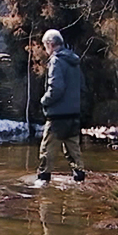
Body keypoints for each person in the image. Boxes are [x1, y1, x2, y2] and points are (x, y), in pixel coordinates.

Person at [36, 29, 85, 183]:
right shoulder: (74, 62)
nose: (45, 50)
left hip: (57, 116)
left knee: (47, 150)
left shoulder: (56, 61)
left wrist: (44, 101)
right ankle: (79, 179)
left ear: (50, 44)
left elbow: (56, 88)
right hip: (74, 114)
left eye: (45, 46)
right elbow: (82, 86)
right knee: (74, 150)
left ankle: (43, 181)